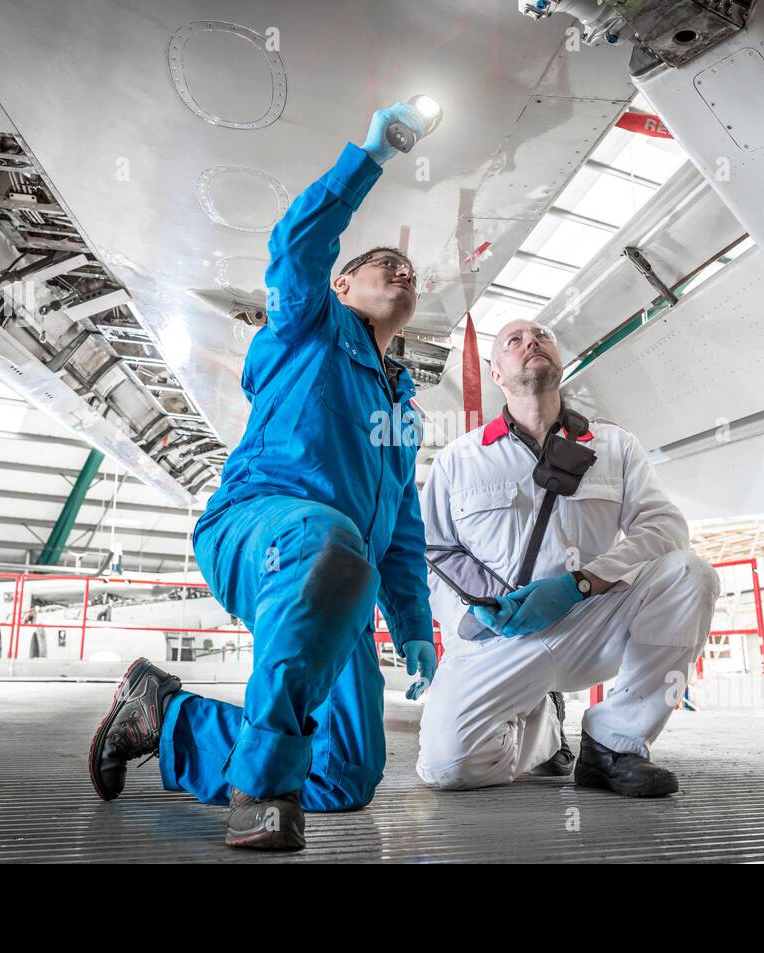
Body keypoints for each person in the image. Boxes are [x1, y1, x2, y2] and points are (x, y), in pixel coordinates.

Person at [87, 103, 437, 851]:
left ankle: (160, 716)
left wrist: (413, 627)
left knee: (347, 774)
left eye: (408, 272)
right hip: (258, 526)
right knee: (335, 545)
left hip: (343, 581)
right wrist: (370, 159)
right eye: (382, 265)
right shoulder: (305, 325)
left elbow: (403, 530)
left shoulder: (404, 410)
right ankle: (263, 792)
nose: (400, 271)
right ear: (339, 288)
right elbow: (295, 245)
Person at [416, 318, 719, 796]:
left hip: (588, 619)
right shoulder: (461, 456)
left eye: (541, 336)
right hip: (499, 637)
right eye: (513, 341)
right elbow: (435, 548)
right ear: (497, 375)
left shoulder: (613, 444)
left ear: (561, 361)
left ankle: (613, 744)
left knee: (689, 573)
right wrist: (482, 613)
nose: (530, 342)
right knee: (449, 768)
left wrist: (580, 584)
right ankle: (542, 727)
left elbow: (665, 527)